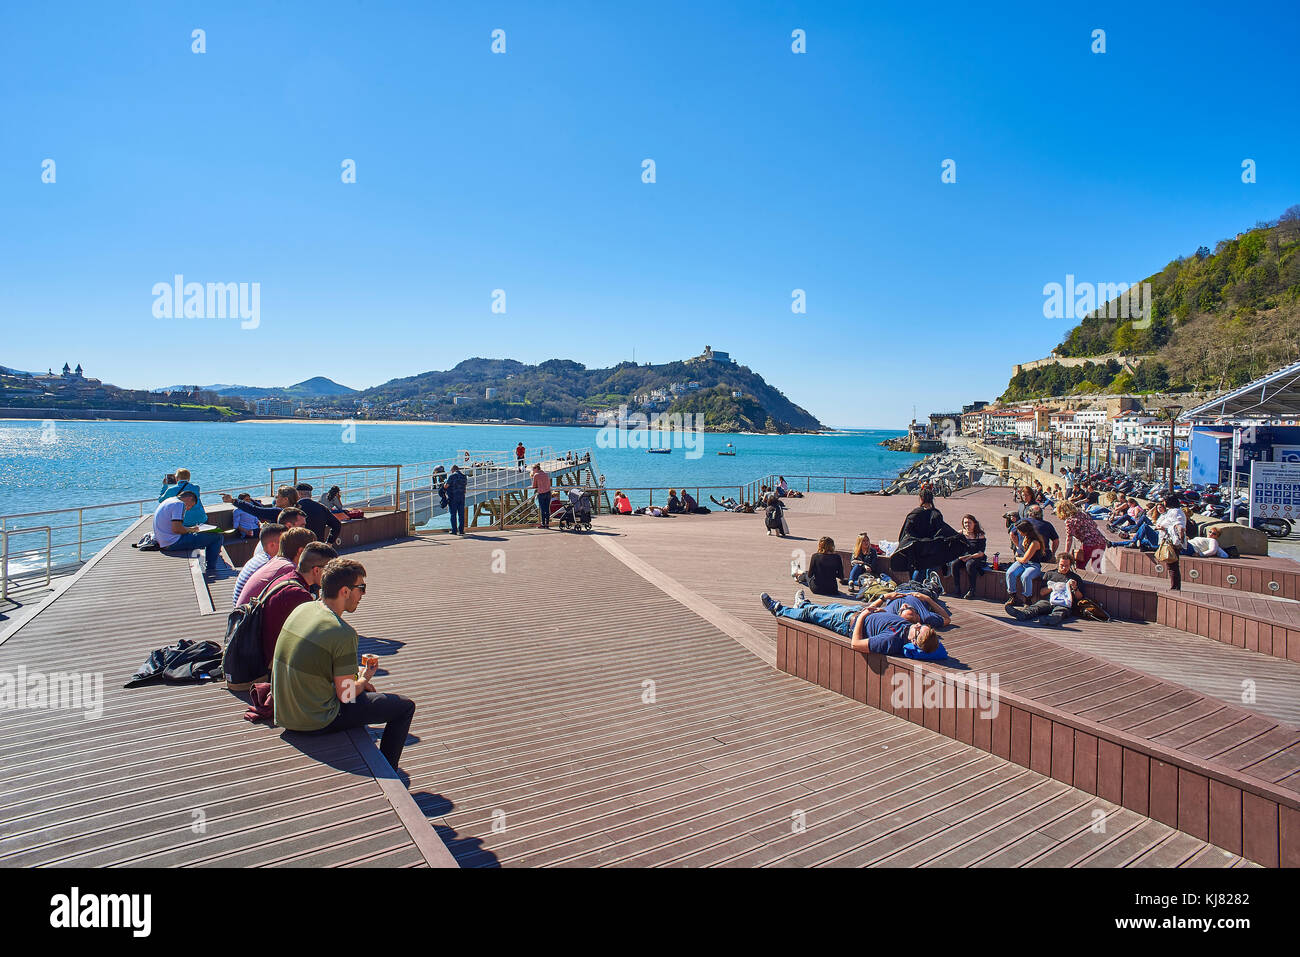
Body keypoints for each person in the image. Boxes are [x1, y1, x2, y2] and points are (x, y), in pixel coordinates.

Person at [272, 558, 417, 769]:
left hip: (285, 712)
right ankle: (387, 769)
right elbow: (347, 695)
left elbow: (318, 666)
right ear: (345, 592)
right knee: (404, 707)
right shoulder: (342, 633)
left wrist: (355, 680)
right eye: (361, 588)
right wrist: (364, 678)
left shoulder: (303, 609)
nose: (363, 594)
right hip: (314, 720)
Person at [759, 592, 940, 656]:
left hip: (848, 623)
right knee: (827, 607)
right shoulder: (906, 627)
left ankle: (779, 609)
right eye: (919, 625)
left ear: (914, 642)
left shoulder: (892, 640)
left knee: (812, 615)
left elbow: (856, 644)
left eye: (918, 629)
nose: (916, 626)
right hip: (855, 611)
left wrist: (862, 617)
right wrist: (881, 602)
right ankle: (804, 604)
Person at [258, 541, 338, 668]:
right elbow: (316, 640)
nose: (335, 576)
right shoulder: (298, 595)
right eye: (331, 571)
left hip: (265, 655)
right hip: (274, 667)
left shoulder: (286, 579)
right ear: (316, 570)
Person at [239, 526, 316, 605]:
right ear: (301, 551)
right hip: (253, 615)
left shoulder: (276, 560)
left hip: (243, 613)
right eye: (313, 551)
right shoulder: (290, 569)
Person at [153, 489, 224, 573]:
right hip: (172, 542)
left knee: (205, 536)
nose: (188, 509)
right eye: (190, 506)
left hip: (163, 540)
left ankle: (206, 560)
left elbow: (175, 526)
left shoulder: (168, 501)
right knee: (217, 537)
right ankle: (211, 569)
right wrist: (192, 530)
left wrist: (191, 529)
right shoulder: (179, 504)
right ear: (189, 498)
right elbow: (177, 529)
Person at [1007, 553, 1084, 625]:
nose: (1064, 568)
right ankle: (1022, 614)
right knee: (1036, 607)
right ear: (1057, 564)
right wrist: (1052, 587)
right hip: (1048, 601)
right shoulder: (1050, 574)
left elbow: (1080, 597)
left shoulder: (1075, 578)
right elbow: (1042, 593)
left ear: (1070, 565)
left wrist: (1075, 588)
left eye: (1067, 566)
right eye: (1062, 565)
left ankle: (1051, 619)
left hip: (1064, 604)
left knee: (1060, 611)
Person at [232, 522, 285, 606]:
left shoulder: (260, 557)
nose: (288, 544)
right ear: (272, 545)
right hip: (248, 615)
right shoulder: (269, 565)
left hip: (240, 610)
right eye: (284, 542)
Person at [898, 489, 945, 583]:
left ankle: (914, 588)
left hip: (917, 547)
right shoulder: (937, 514)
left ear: (921, 499)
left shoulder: (915, 514)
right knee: (931, 571)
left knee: (918, 569)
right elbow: (941, 532)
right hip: (932, 548)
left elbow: (906, 532)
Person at [1056, 499, 1108, 573]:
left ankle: (1082, 581)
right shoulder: (1083, 513)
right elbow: (1095, 525)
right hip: (1101, 541)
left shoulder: (1070, 521)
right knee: (1096, 566)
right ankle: (1098, 581)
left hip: (1089, 543)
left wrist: (1066, 553)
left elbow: (1069, 539)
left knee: (1080, 565)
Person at [1004, 520, 1047, 608]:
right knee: (1010, 573)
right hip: (1021, 563)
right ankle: (1013, 596)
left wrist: (1016, 557)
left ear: (1025, 531)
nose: (1019, 533)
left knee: (1026, 576)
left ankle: (1028, 599)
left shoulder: (1035, 542)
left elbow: (1025, 559)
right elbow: (1020, 549)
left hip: (1033, 564)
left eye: (1020, 531)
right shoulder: (1024, 537)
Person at [1155, 495, 1188, 591]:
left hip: (1172, 541)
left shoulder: (1175, 512)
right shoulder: (1174, 511)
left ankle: (1175, 587)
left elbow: (1179, 525)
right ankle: (1175, 586)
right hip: (1171, 540)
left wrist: (1180, 538)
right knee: (1172, 565)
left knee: (1172, 564)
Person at [949, 514, 986, 599]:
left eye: (969, 523)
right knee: (954, 563)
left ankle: (972, 590)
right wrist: (959, 556)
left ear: (974, 524)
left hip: (976, 557)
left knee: (970, 564)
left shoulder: (980, 535)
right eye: (965, 523)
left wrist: (969, 557)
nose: (967, 525)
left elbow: (981, 553)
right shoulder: (960, 533)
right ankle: (957, 588)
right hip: (963, 557)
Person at [444, 464, 467, 535]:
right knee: (461, 515)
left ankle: (454, 530)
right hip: (462, 497)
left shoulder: (452, 476)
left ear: (453, 470)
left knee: (453, 514)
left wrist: (444, 482)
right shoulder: (464, 476)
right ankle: (461, 530)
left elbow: (446, 486)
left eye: (451, 471)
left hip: (453, 497)